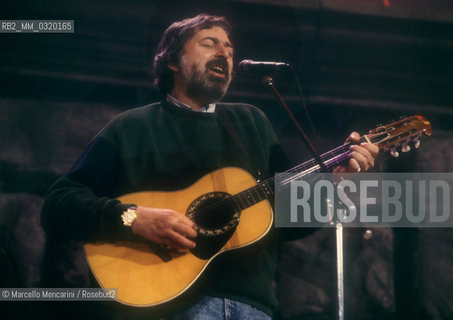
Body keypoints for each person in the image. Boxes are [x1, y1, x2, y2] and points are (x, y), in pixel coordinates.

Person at [41, 14, 378, 319]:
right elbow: (58, 206)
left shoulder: (252, 123)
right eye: (209, 43)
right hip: (166, 307)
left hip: (251, 308)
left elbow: (289, 222)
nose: (225, 54)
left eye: (230, 49)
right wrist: (135, 218)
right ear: (172, 60)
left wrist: (334, 182)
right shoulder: (130, 127)